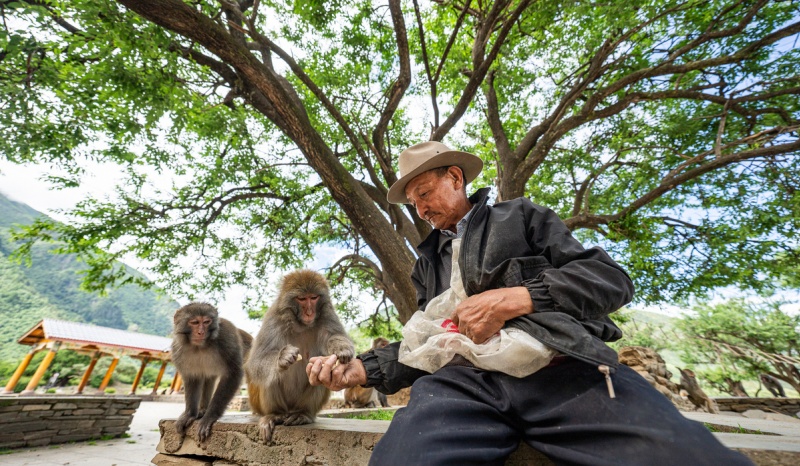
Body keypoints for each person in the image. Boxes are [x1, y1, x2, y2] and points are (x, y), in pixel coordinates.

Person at [306, 141, 753, 465]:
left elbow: (610, 281)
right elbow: (427, 343)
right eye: (412, 202)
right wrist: (363, 368)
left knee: (684, 456)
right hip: (461, 386)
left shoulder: (522, 217)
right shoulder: (426, 263)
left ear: (455, 178)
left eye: (424, 193)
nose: (419, 209)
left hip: (560, 371)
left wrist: (518, 298)